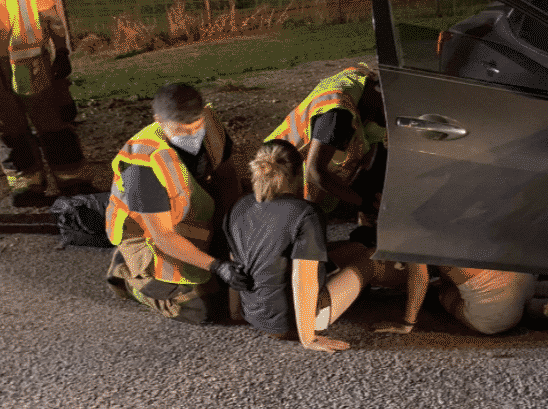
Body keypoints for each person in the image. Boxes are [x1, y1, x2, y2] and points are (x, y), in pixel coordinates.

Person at [104, 83, 247, 324]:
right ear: (158, 120)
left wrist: (236, 229)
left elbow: (227, 177)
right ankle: (129, 277)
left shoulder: (208, 122)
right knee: (203, 310)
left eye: (196, 125)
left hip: (191, 216)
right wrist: (218, 266)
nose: (192, 134)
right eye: (182, 129)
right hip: (149, 237)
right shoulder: (142, 164)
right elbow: (163, 236)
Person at [225, 139, 373, 352]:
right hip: (293, 324)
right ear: (297, 173)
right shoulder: (306, 213)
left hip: (254, 315)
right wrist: (308, 338)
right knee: (371, 257)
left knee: (355, 249)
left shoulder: (240, 206)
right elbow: (303, 277)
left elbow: (235, 262)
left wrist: (236, 313)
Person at [0, 0, 91, 206]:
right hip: (29, 61)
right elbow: (52, 17)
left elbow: (51, 17)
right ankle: (33, 186)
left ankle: (64, 182)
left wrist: (61, 51)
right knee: (11, 131)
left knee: (42, 125)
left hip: (29, 61)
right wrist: (60, 51)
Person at [264, 64, 386, 218]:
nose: (390, 120)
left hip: (299, 179)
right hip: (276, 176)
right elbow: (314, 172)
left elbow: (369, 156)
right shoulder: (339, 110)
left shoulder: (365, 90)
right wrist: (363, 203)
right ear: (379, 92)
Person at [377, 265, 537, 336]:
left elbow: (420, 279)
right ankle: (536, 306)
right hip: (526, 281)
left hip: (494, 314)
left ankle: (530, 308)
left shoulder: (418, 235)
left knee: (443, 293)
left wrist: (407, 324)